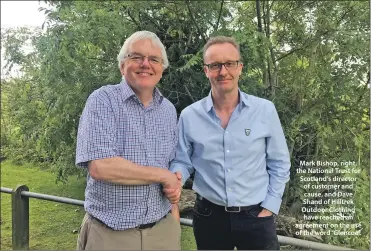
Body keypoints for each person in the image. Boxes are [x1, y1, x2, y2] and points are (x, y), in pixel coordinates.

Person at [169, 36, 291, 250]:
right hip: (209, 217)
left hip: (257, 216)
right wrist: (176, 178)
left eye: (229, 64)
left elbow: (280, 163)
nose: (223, 71)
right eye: (215, 65)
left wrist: (271, 206)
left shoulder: (264, 110)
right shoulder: (189, 116)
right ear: (206, 70)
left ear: (240, 68)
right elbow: (182, 160)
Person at [75, 30, 182, 250]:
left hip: (163, 233)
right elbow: (101, 167)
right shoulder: (102, 100)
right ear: (122, 65)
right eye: (136, 57)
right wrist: (163, 175)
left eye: (154, 59)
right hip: (110, 236)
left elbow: (170, 165)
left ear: (162, 68)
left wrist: (174, 212)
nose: (146, 64)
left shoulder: (169, 110)